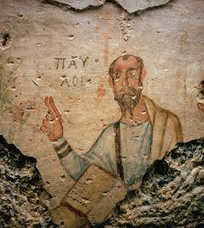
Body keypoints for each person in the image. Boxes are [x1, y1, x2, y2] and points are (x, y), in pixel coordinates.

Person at [41, 54, 183, 188]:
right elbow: (85, 174)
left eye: (132, 74)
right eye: (118, 76)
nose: (125, 82)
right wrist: (58, 140)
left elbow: (177, 177)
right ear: (112, 83)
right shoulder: (111, 135)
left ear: (142, 76)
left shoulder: (166, 124)